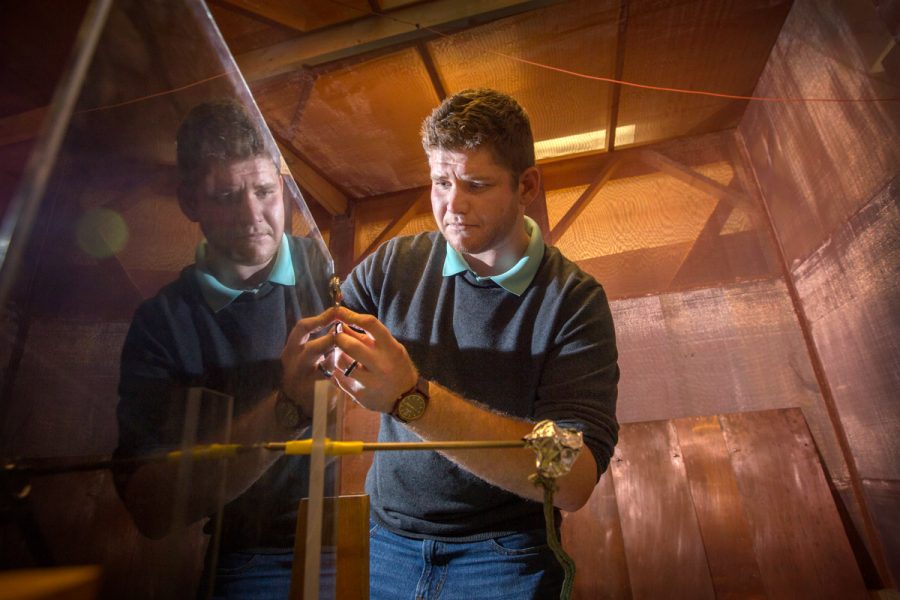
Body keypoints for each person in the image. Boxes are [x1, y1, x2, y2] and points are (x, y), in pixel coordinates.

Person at [327, 88, 620, 598]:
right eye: (441, 181)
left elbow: (570, 477)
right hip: (383, 539)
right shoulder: (394, 264)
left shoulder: (572, 301)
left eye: (477, 184)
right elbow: (322, 334)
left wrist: (411, 399)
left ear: (526, 185)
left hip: (503, 555)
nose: (452, 204)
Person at [112, 99, 334, 598]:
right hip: (254, 554)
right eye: (229, 196)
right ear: (190, 201)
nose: (253, 215)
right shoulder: (162, 325)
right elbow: (148, 507)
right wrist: (287, 407)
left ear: (284, 184)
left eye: (264, 191)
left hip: (379, 536)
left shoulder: (333, 269)